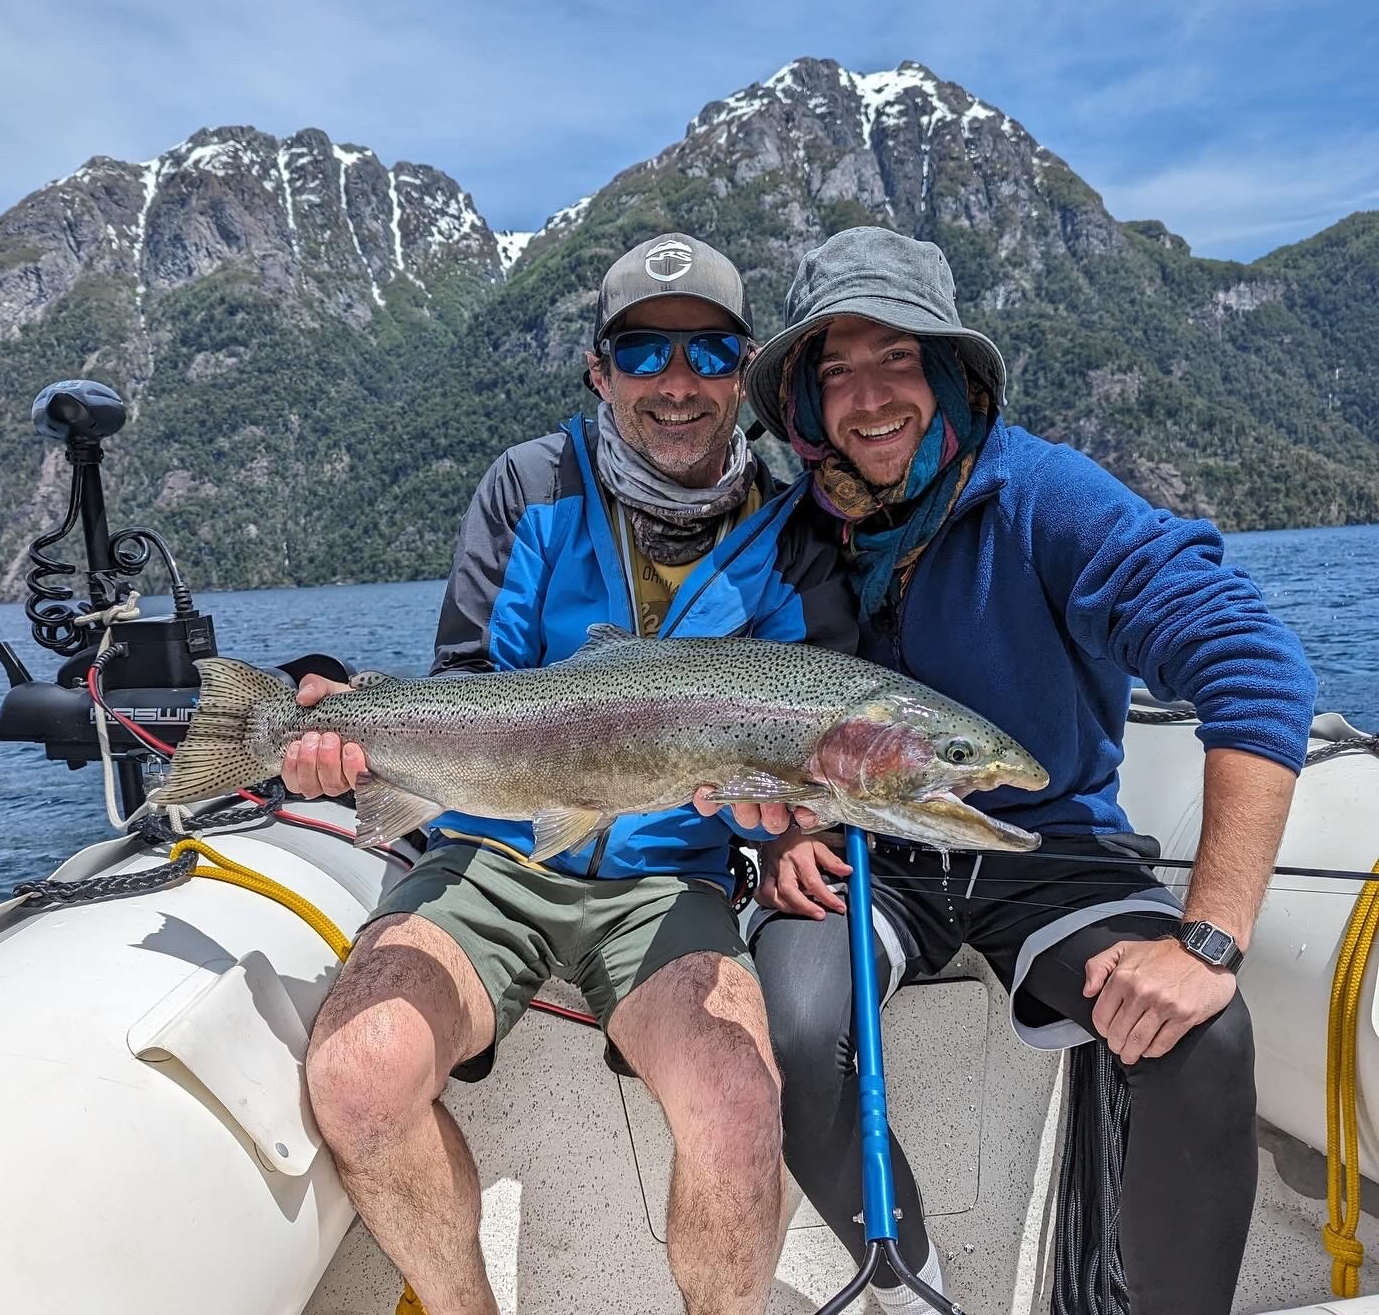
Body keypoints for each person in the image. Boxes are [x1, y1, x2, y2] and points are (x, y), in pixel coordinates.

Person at [723, 226, 1316, 1315]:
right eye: (836, 369)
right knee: (793, 1033)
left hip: (1047, 848)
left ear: (951, 370)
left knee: (1201, 1033)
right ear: (805, 407)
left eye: (898, 357)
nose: (870, 397)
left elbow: (1257, 669)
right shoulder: (783, 534)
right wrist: (785, 833)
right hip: (868, 856)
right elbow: (740, 725)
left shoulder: (1048, 496)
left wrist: (1210, 938)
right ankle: (916, 1294)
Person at [287, 233, 857, 1315]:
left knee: (738, 1108)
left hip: (667, 882)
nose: (677, 384)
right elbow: (461, 682)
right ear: (599, 371)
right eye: (644, 354)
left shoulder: (795, 534)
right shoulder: (527, 488)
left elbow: (808, 740)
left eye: (710, 354)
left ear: (746, 374)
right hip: (487, 857)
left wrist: (795, 833)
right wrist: (349, 739)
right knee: (358, 1078)